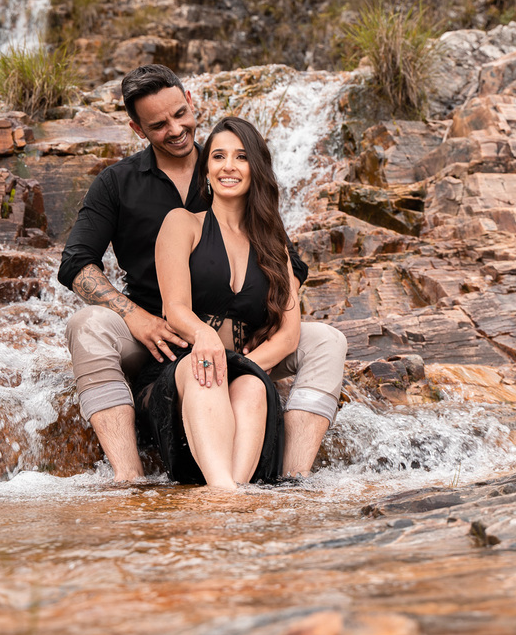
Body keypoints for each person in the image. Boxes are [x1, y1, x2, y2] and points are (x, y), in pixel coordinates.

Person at [58, 65, 346, 481]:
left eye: (180, 114)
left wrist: (269, 314)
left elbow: (289, 262)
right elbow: (75, 262)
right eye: (158, 125)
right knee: (87, 325)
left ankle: (294, 477)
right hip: (155, 334)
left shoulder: (226, 165)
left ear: (191, 100)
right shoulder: (117, 183)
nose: (176, 129)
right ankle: (128, 476)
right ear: (137, 129)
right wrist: (134, 316)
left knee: (325, 340)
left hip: (241, 332)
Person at [134, 117, 296, 488]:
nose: (228, 166)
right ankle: (227, 495)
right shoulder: (183, 223)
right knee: (201, 370)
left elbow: (288, 336)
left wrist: (240, 368)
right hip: (178, 372)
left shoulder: (274, 245)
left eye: (240, 157)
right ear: (206, 169)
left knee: (254, 387)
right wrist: (204, 337)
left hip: (240, 369)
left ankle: (225, 496)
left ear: (256, 168)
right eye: (218, 156)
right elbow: (174, 309)